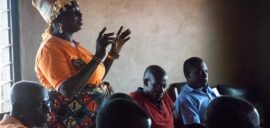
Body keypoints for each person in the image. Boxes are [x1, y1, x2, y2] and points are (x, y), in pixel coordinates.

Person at [32, 0, 131, 127]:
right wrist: (97, 57)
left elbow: (93, 78)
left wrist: (112, 53)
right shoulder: (49, 50)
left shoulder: (72, 45)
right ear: (58, 20)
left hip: (94, 119)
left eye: (79, 11)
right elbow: (67, 91)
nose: (81, 15)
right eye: (74, 12)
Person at [174, 57, 218, 125]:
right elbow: (195, 127)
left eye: (206, 71)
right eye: (199, 72)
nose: (205, 75)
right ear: (188, 75)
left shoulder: (208, 89)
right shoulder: (185, 99)